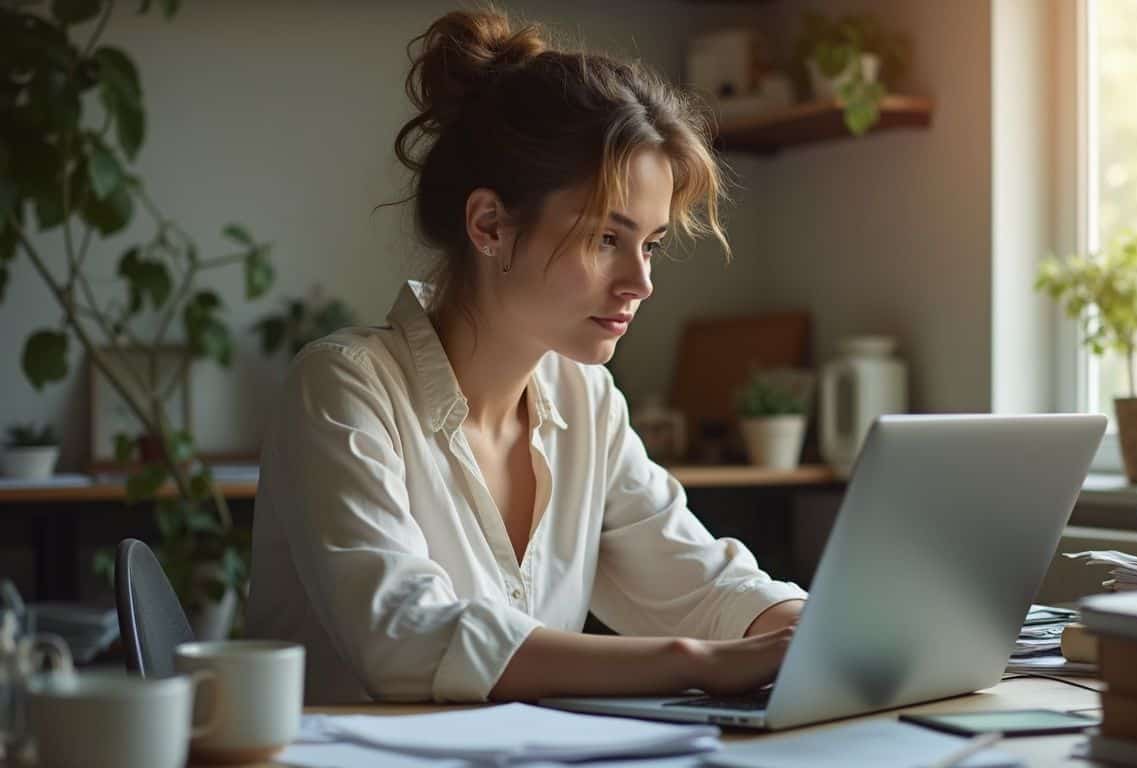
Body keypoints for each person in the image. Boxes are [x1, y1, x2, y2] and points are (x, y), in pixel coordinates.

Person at [246, 9, 807, 705]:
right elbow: (405, 638)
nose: (641, 281)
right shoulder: (343, 387)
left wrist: (824, 631)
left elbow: (700, 583)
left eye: (652, 243)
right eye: (607, 237)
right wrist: (697, 661)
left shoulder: (586, 400)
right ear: (490, 226)